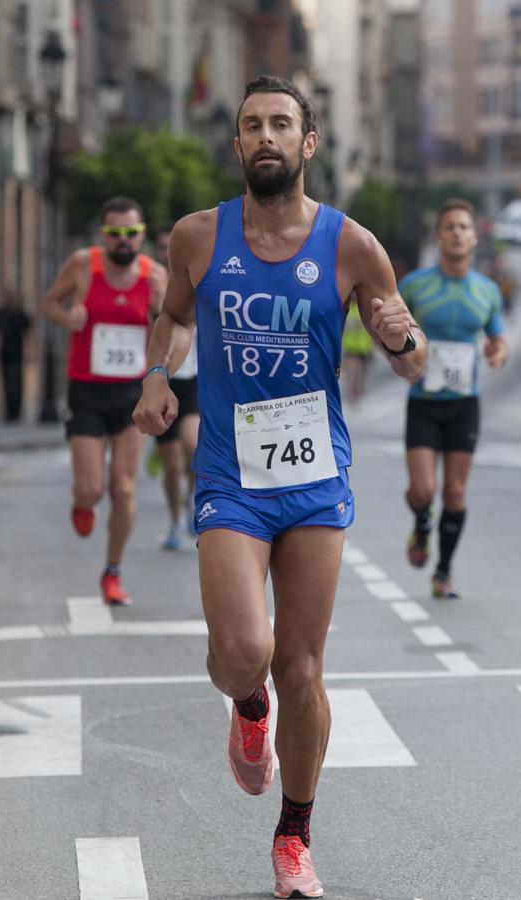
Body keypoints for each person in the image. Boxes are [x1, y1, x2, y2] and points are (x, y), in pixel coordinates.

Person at [133, 75, 427, 899]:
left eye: (281, 124)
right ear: (237, 145)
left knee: (301, 669)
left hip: (313, 478)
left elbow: (410, 357)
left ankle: (294, 837)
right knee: (243, 658)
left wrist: (402, 339)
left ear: (308, 143)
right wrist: (157, 374)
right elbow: (175, 315)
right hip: (231, 473)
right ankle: (246, 705)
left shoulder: (352, 246)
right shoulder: (198, 236)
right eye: (253, 125)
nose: (267, 136)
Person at [41, 196, 168, 605]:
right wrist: (67, 318)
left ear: (141, 234)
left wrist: (158, 313)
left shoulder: (154, 275)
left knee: (124, 490)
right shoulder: (83, 265)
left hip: (132, 392)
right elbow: (48, 303)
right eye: (115, 233)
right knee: (91, 488)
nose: (123, 240)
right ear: (103, 235)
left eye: (131, 232)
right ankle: (83, 503)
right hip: (87, 391)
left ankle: (112, 571)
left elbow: (174, 327)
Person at [399, 198, 508, 600]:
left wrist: (498, 352)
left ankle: (443, 572)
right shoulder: (415, 286)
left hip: (464, 405)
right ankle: (421, 522)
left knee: (456, 493)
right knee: (423, 490)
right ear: (439, 237)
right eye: (450, 227)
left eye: (464, 227)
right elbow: (389, 332)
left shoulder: (487, 291)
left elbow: (498, 338)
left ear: (475, 237)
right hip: (424, 403)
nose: (457, 233)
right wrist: (402, 357)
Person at [153, 224, 200, 550]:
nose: (166, 252)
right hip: (161, 382)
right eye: (162, 247)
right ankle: (175, 520)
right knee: (171, 463)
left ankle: (193, 499)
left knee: (193, 446)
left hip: (193, 380)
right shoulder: (151, 283)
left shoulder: (197, 277)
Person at [0, 290, 32, 421]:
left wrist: (30, 350)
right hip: (5, 351)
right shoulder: (0, 314)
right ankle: (9, 412)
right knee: (6, 380)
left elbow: (28, 334)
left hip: (18, 351)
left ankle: (16, 411)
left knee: (17, 380)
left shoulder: (22, 315)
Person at [341, 295, 374, 406]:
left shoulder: (362, 311)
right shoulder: (346, 312)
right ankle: (353, 394)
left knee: (362, 372)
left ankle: (358, 390)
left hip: (364, 347)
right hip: (351, 348)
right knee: (353, 373)